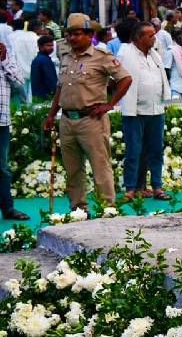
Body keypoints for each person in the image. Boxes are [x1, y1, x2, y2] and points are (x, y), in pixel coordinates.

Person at [42, 14, 132, 211]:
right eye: (69, 34)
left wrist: (109, 105)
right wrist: (51, 115)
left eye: (77, 34)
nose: (72, 38)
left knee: (100, 167)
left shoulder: (101, 56)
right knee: (73, 170)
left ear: (89, 35)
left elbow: (125, 79)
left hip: (92, 120)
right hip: (67, 120)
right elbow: (60, 88)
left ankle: (107, 209)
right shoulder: (65, 57)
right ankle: (78, 210)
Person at [119, 22, 171, 201]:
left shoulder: (155, 54)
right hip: (136, 111)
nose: (154, 38)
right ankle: (131, 189)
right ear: (139, 38)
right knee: (134, 151)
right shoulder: (125, 53)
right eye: (150, 35)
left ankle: (157, 187)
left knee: (156, 150)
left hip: (156, 109)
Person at [0, 39, 27, 220]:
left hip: (1, 122)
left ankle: (8, 209)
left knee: (2, 168)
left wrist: (3, 60)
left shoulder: (6, 59)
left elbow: (19, 82)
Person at [31, 35, 59, 100]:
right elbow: (51, 80)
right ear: (40, 47)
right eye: (48, 45)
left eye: (52, 46)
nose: (51, 48)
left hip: (38, 96)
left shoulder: (38, 59)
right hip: (45, 96)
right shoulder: (44, 60)